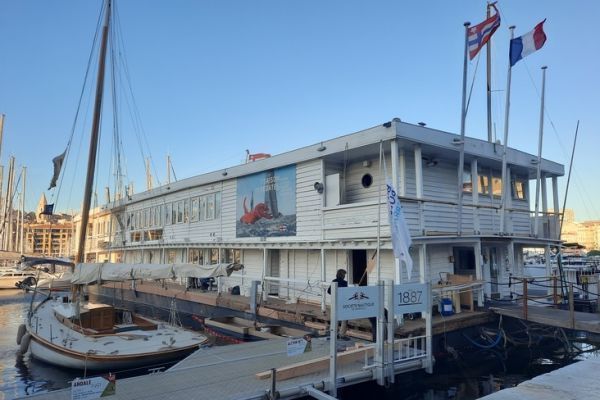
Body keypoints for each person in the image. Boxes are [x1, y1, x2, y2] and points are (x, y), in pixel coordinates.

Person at [328, 269, 348, 338]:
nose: (345, 276)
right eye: (344, 275)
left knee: (334, 318)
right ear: (342, 275)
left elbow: (329, 291)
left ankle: (333, 333)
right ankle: (342, 334)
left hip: (335, 302)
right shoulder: (345, 283)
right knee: (344, 319)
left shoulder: (334, 281)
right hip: (343, 302)